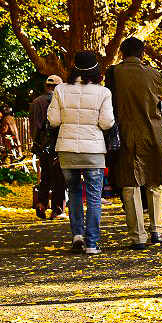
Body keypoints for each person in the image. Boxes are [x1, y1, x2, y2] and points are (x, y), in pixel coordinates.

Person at [47, 52, 115, 255]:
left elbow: (54, 120)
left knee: (74, 192)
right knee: (94, 197)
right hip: (93, 151)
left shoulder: (60, 90)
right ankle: (92, 243)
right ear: (96, 70)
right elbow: (107, 122)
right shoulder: (103, 92)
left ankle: (77, 235)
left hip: (67, 150)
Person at [107, 37, 162, 249]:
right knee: (154, 183)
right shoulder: (154, 73)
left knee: (129, 185)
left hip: (124, 133)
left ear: (122, 53)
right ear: (142, 53)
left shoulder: (113, 73)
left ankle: (137, 236)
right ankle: (157, 230)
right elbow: (158, 100)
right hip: (151, 132)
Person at [29, 75, 66, 220]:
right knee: (59, 179)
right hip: (56, 145)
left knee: (45, 177)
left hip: (41, 146)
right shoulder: (58, 101)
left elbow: (33, 127)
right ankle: (57, 209)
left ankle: (41, 203)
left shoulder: (35, 102)